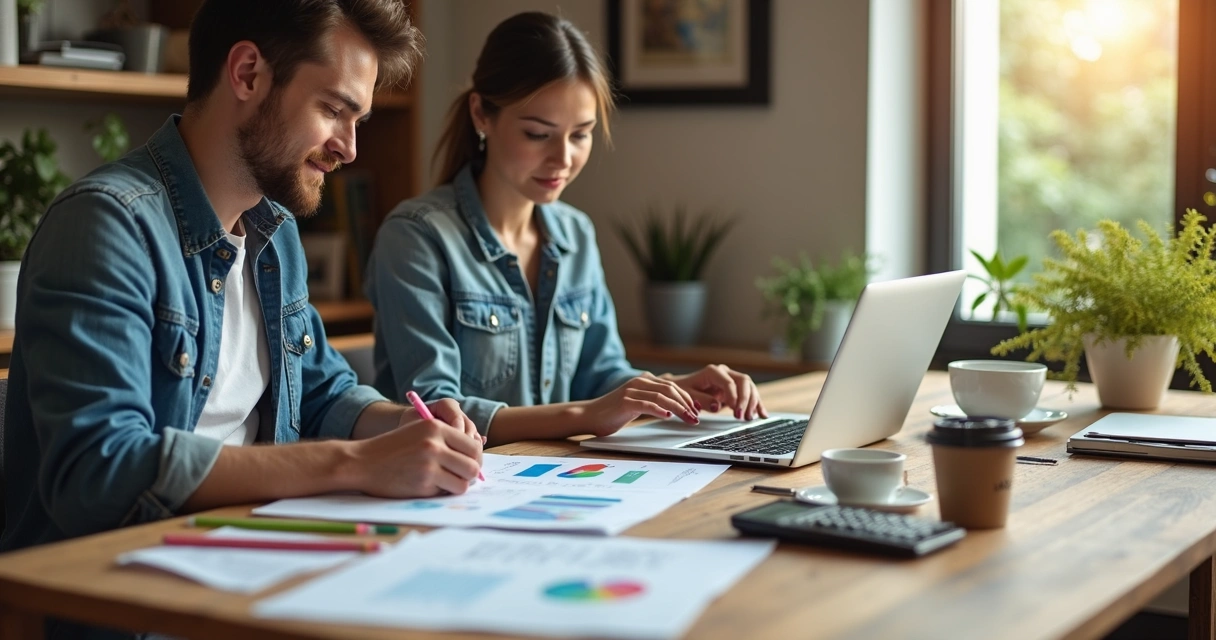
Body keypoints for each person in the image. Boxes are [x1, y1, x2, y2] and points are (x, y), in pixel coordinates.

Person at [1, 0, 484, 565]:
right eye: (333, 109)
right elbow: (99, 469)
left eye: (358, 121)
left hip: (249, 557)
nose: (349, 148)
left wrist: (405, 424)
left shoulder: (274, 234)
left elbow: (322, 392)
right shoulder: (105, 226)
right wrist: (355, 463)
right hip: (113, 584)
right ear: (248, 73)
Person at [365, 12, 767, 446]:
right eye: (538, 134)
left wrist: (670, 388)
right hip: (457, 478)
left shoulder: (575, 234)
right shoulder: (415, 238)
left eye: (581, 135)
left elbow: (601, 374)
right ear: (481, 114)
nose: (563, 159)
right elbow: (435, 411)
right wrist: (586, 414)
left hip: (556, 474)